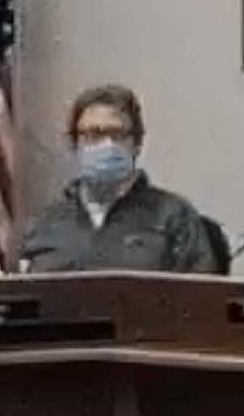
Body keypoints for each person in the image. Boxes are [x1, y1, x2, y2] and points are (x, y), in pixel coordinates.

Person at [19, 85, 220, 275]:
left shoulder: (174, 217)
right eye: (93, 134)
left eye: (118, 134)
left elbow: (202, 294)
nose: (107, 144)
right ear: (74, 144)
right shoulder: (44, 225)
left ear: (137, 144)